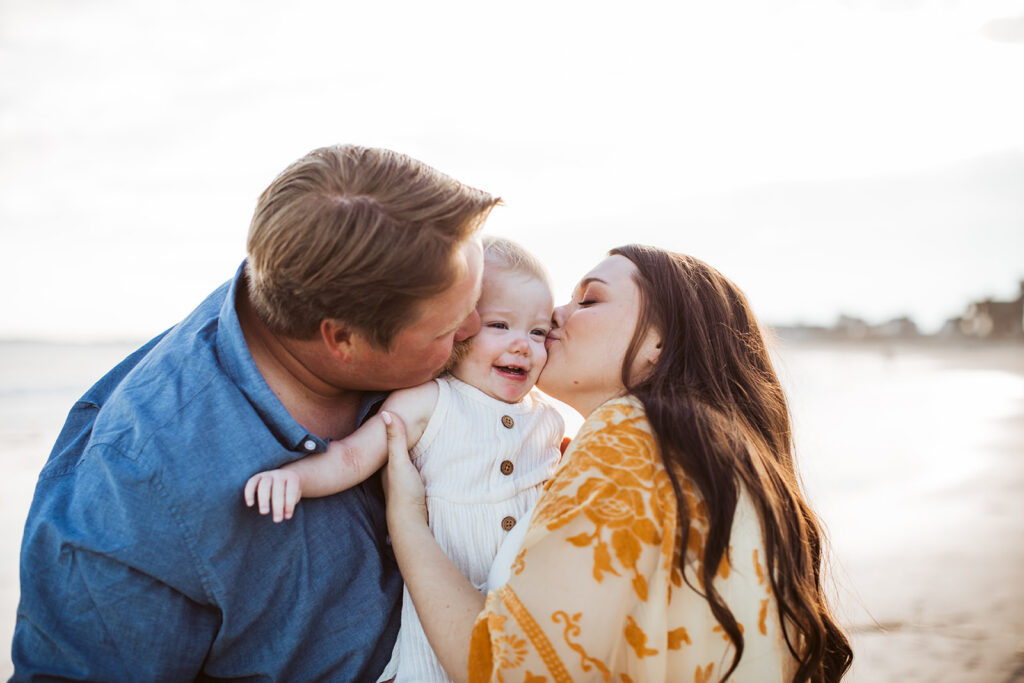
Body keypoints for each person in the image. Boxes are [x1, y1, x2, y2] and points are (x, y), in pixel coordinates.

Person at [11, 145, 499, 680]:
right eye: (447, 330)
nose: (477, 329)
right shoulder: (135, 487)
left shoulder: (362, 281)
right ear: (343, 339)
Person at [382, 245, 854, 682]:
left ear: (661, 344)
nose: (555, 316)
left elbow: (506, 670)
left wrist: (406, 519)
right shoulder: (712, 452)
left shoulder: (632, 435)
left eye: (587, 300)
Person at [243, 236, 565, 682]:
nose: (523, 345)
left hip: (530, 619)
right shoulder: (428, 401)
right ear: (459, 328)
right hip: (439, 615)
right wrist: (297, 479)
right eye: (500, 325)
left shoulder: (548, 419)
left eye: (538, 331)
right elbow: (354, 456)